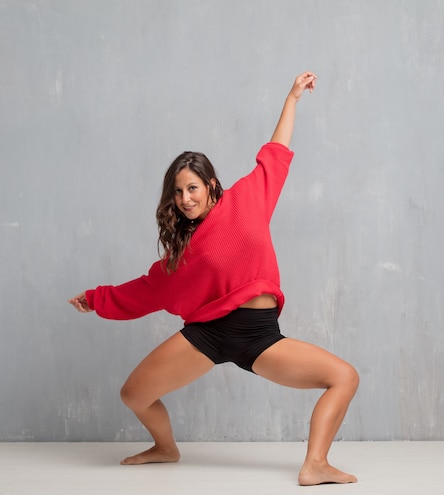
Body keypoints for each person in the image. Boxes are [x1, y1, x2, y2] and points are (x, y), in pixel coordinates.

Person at [68, 71, 359, 486]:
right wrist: (96, 299)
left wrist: (292, 98)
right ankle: (166, 448)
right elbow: (145, 290)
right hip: (206, 335)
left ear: (210, 185)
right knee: (133, 394)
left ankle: (315, 464)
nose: (185, 199)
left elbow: (275, 150)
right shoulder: (181, 255)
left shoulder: (247, 198)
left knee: (344, 377)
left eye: (191, 188)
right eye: (177, 193)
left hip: (259, 335)